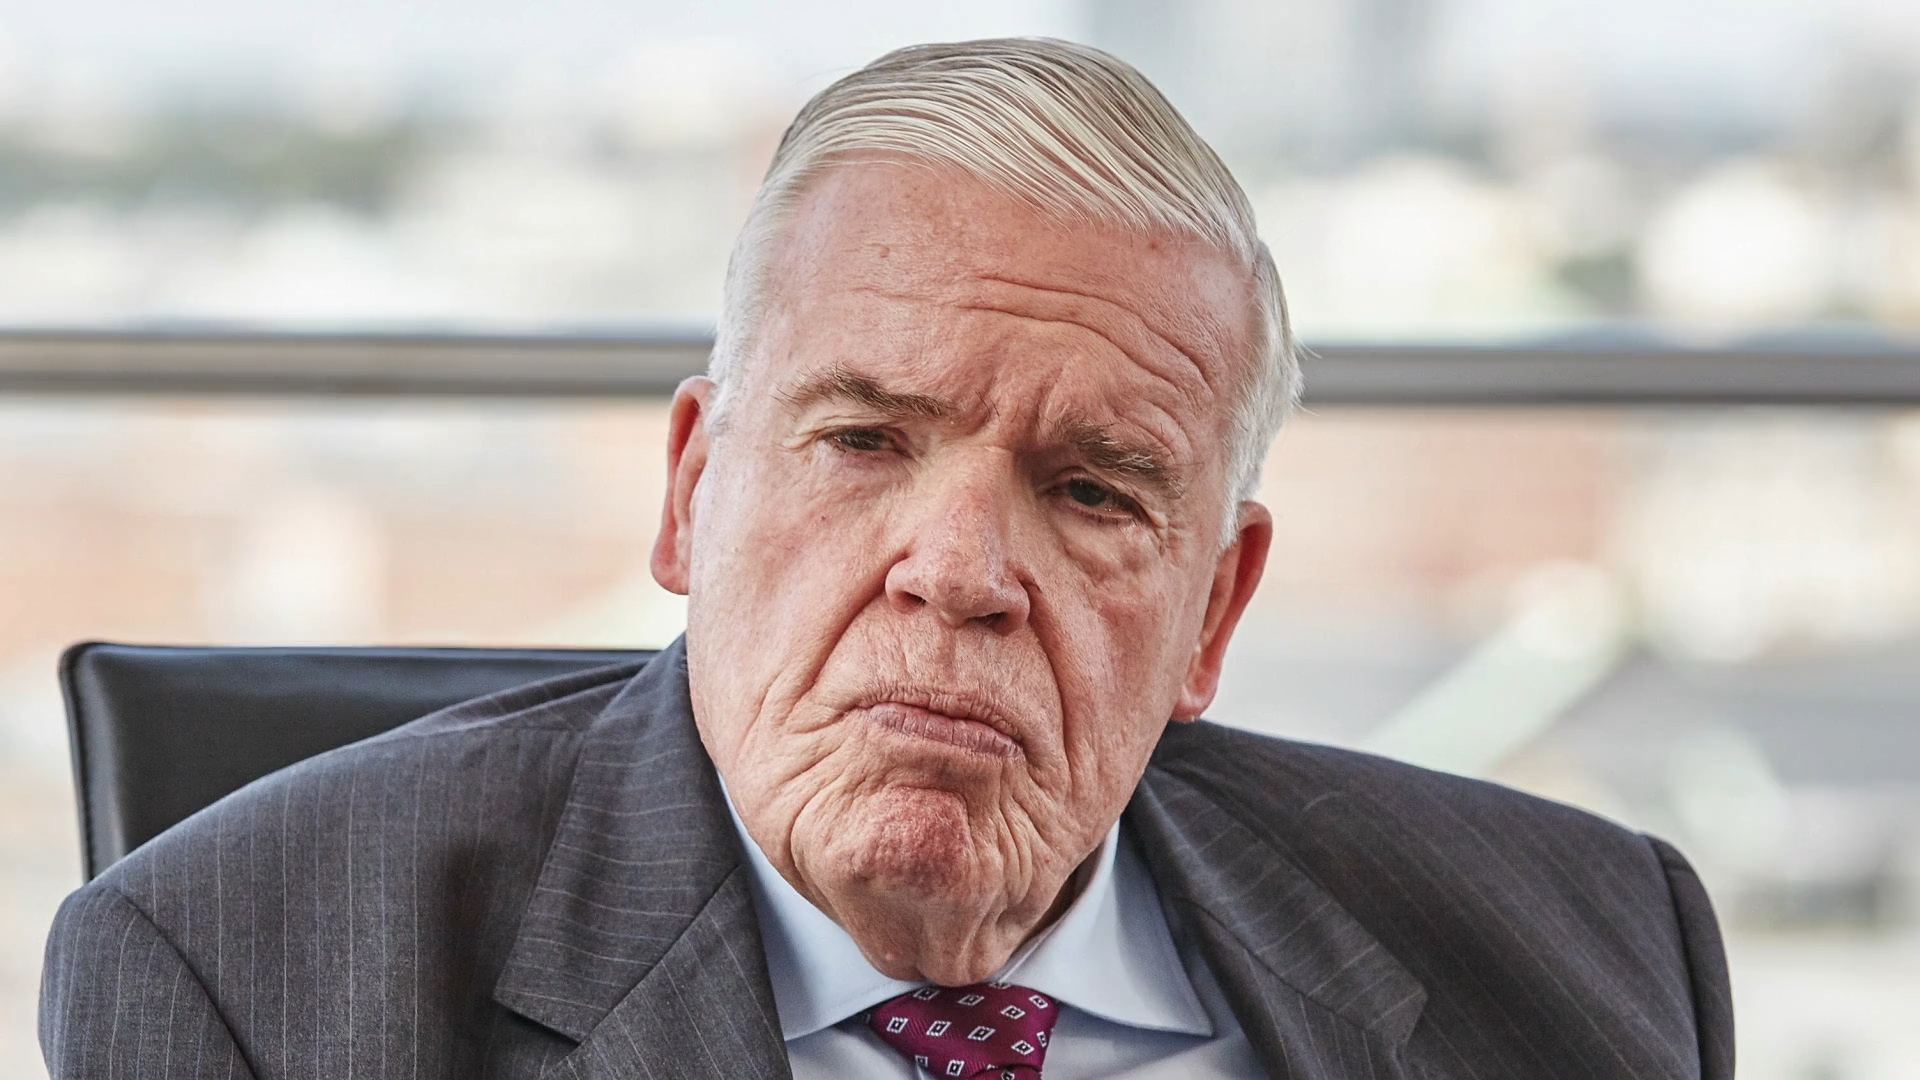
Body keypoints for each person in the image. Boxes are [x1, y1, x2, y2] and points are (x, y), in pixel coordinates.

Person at [40, 38, 1732, 1080]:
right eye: (863, 442)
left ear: (1214, 609)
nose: (960, 571)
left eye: (1093, 491)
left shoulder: (1591, 947)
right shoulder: (249, 978)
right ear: (692, 492)